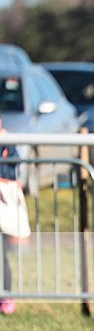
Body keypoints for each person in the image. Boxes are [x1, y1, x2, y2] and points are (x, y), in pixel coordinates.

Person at [0, 115, 19, 314]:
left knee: (1, 254)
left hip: (2, 206)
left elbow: (13, 169)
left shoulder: (7, 142)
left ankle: (5, 296)